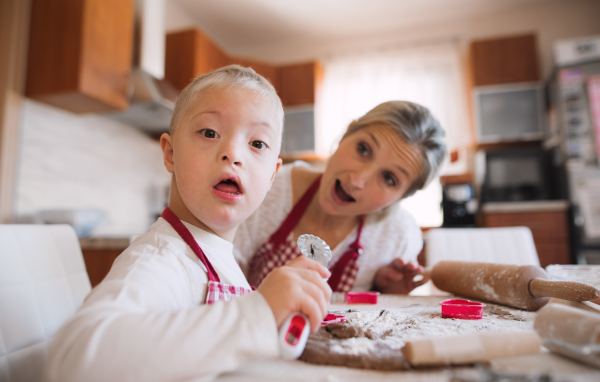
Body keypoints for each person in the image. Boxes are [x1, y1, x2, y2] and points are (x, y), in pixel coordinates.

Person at [43, 66, 331, 382]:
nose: (233, 154)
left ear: (273, 176)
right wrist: (258, 313)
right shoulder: (161, 259)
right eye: (210, 133)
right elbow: (72, 362)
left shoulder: (218, 257)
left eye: (257, 143)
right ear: (170, 154)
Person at [234, 101, 446, 294]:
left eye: (389, 178)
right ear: (346, 134)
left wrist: (386, 292)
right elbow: (221, 287)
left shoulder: (398, 236)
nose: (357, 180)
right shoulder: (265, 190)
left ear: (402, 197)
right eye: (363, 149)